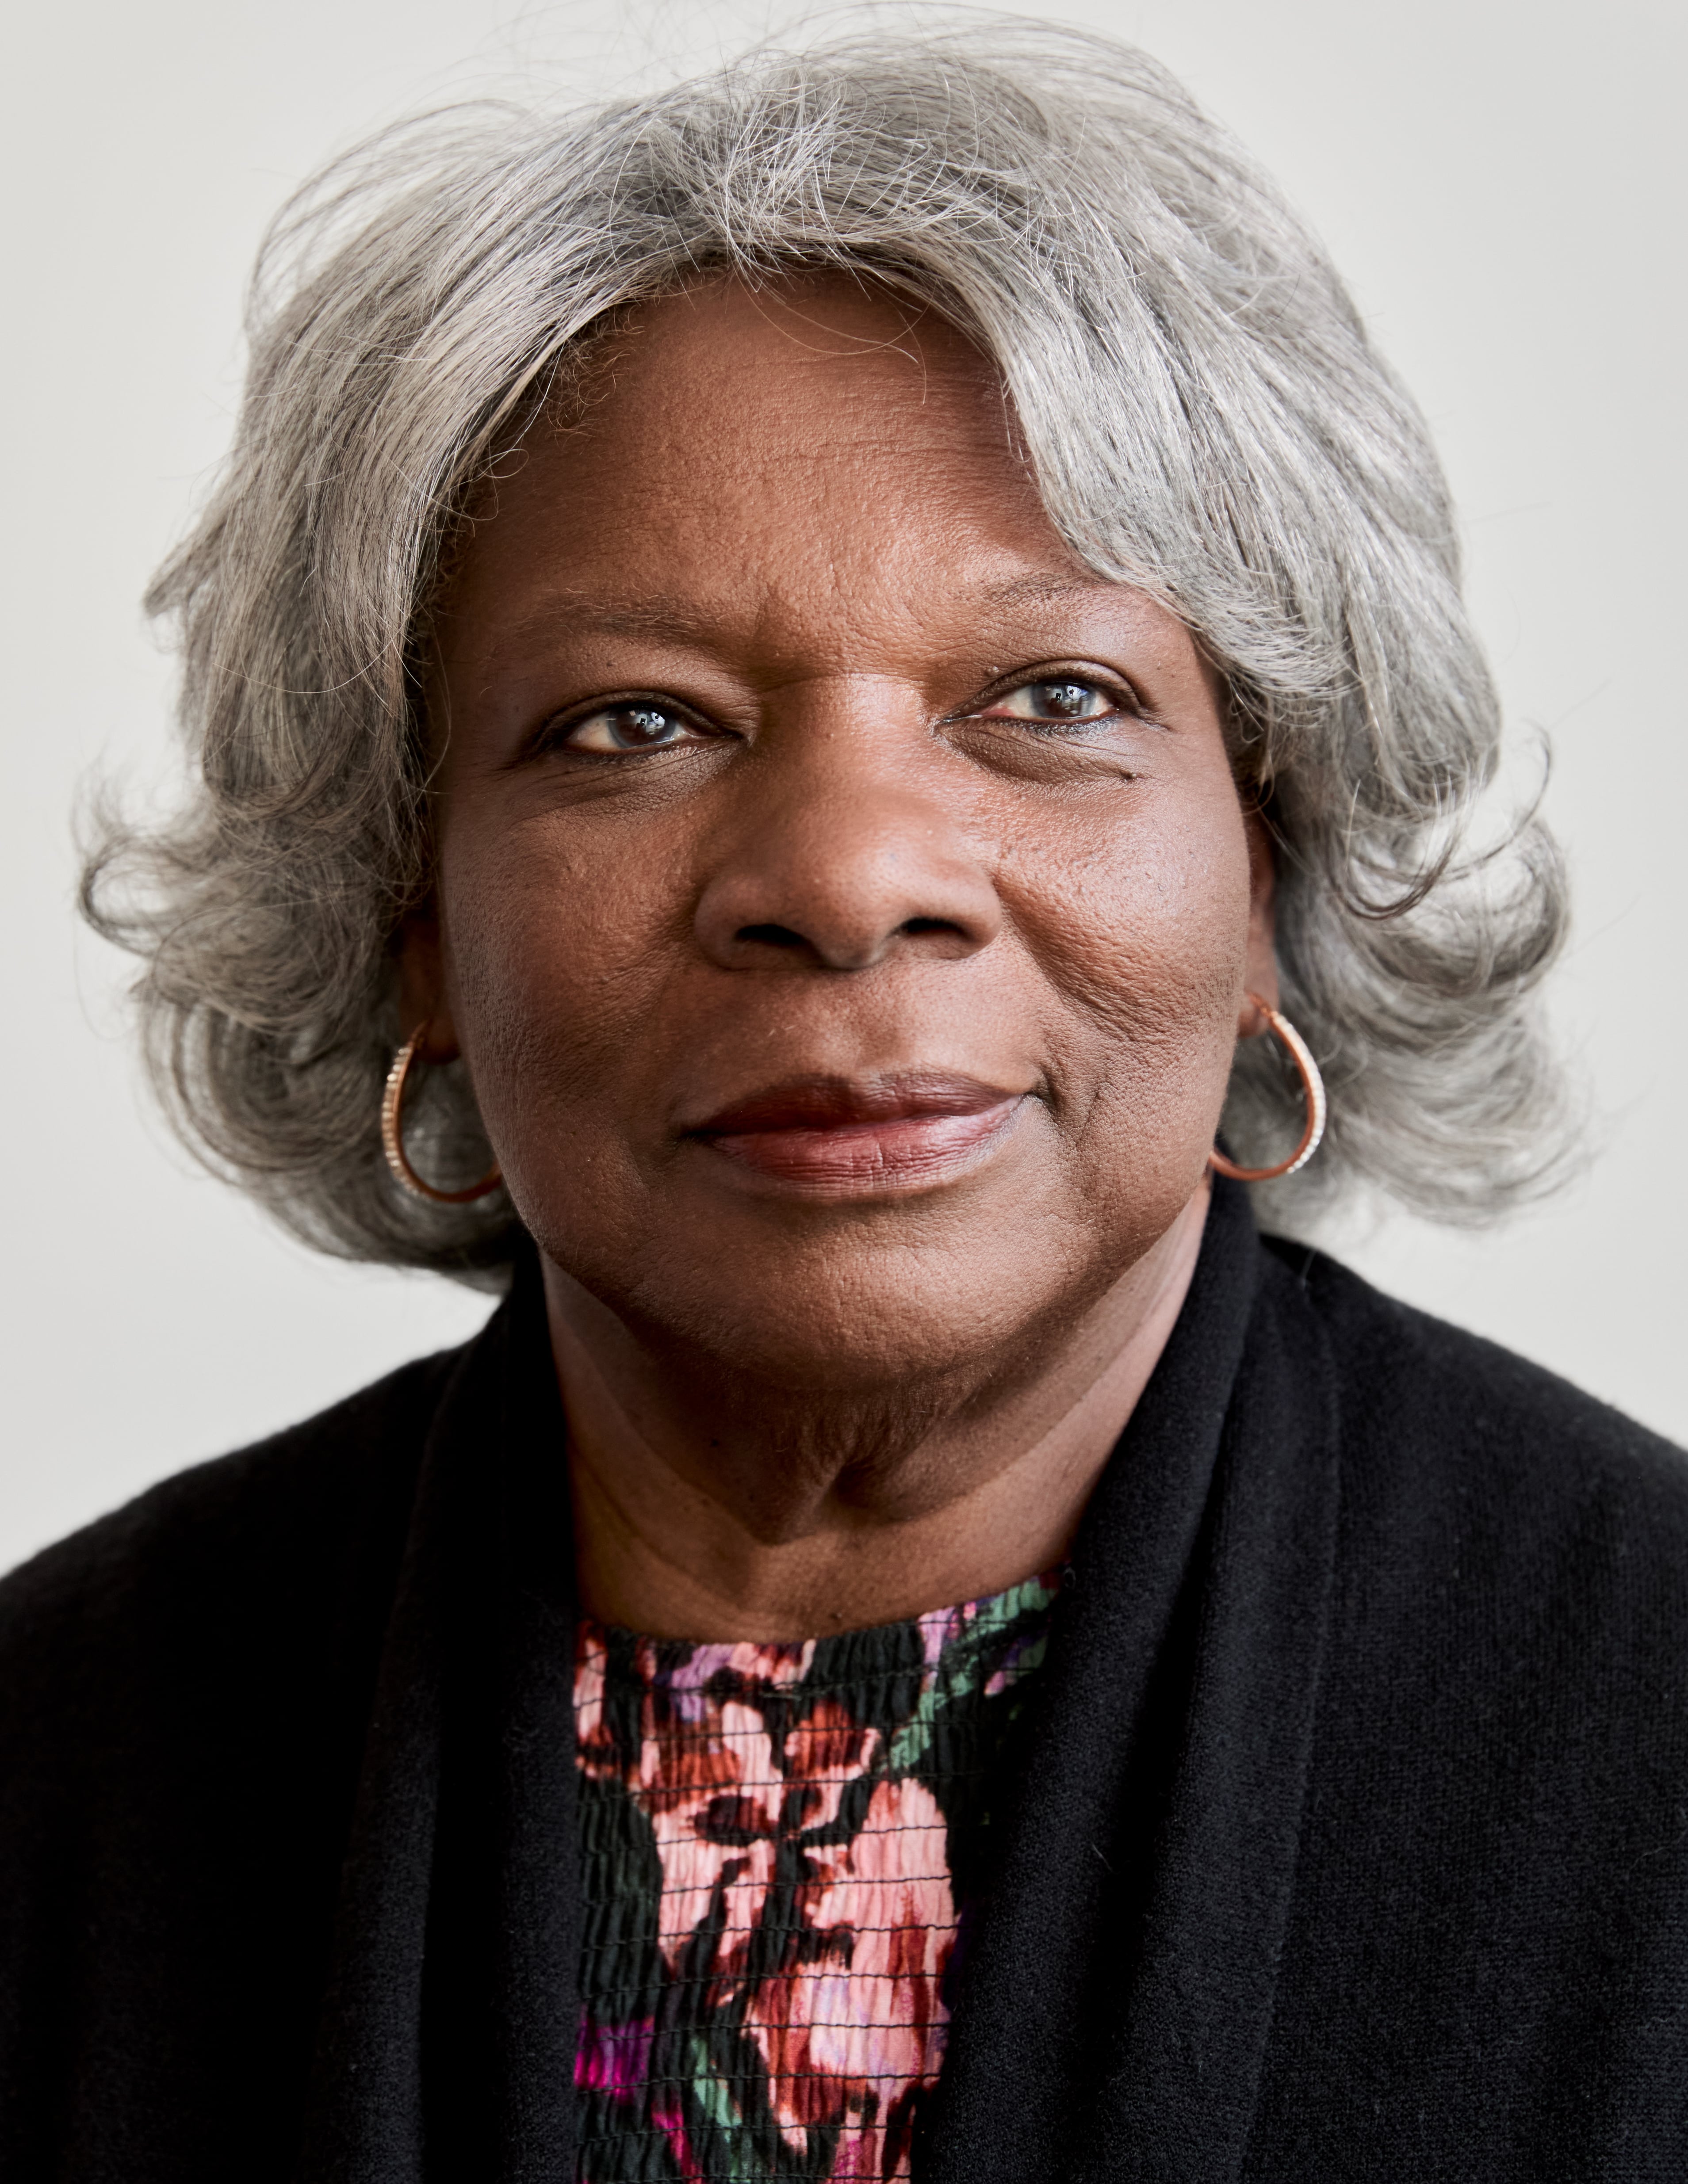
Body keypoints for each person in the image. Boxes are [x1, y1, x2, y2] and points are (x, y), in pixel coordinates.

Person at [4, 22, 1684, 2182]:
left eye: (1050, 697)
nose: (847, 873)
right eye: (633, 721)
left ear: (1273, 861)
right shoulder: (52, 1777)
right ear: (408, 912)